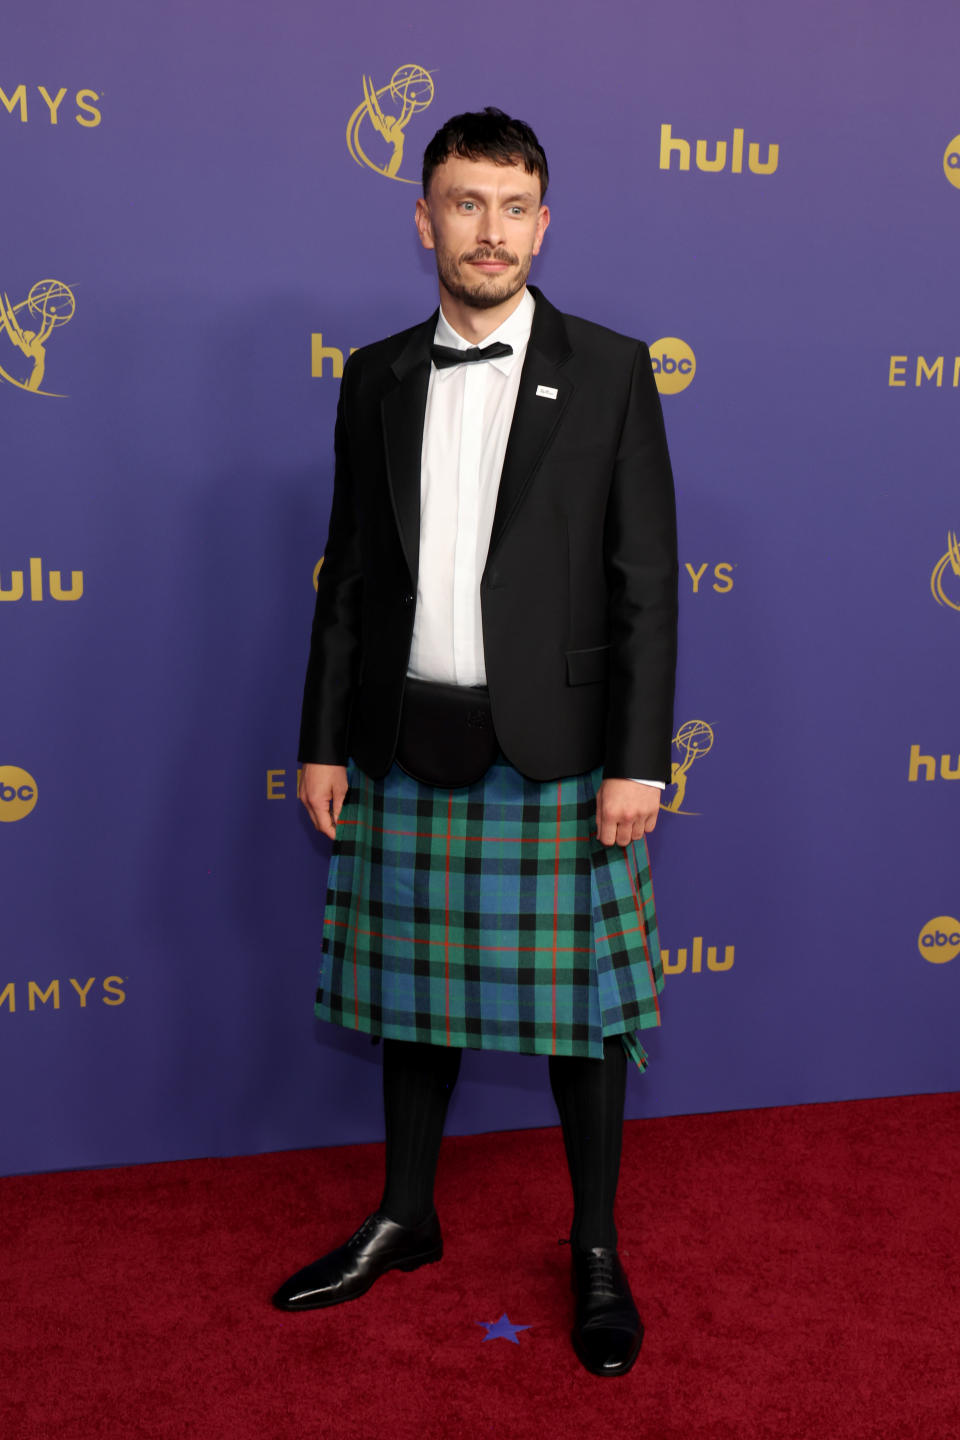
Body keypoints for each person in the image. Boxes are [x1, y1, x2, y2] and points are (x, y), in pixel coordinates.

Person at [274, 108, 678, 1379]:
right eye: (464, 203)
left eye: (512, 208)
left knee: (582, 1019)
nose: (489, 231)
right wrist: (324, 738)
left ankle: (597, 1247)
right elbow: (345, 579)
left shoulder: (612, 369)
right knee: (412, 999)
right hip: (405, 738)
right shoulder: (377, 374)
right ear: (424, 219)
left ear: (542, 224)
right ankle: (407, 1214)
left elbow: (645, 586)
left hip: (560, 748)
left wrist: (639, 757)